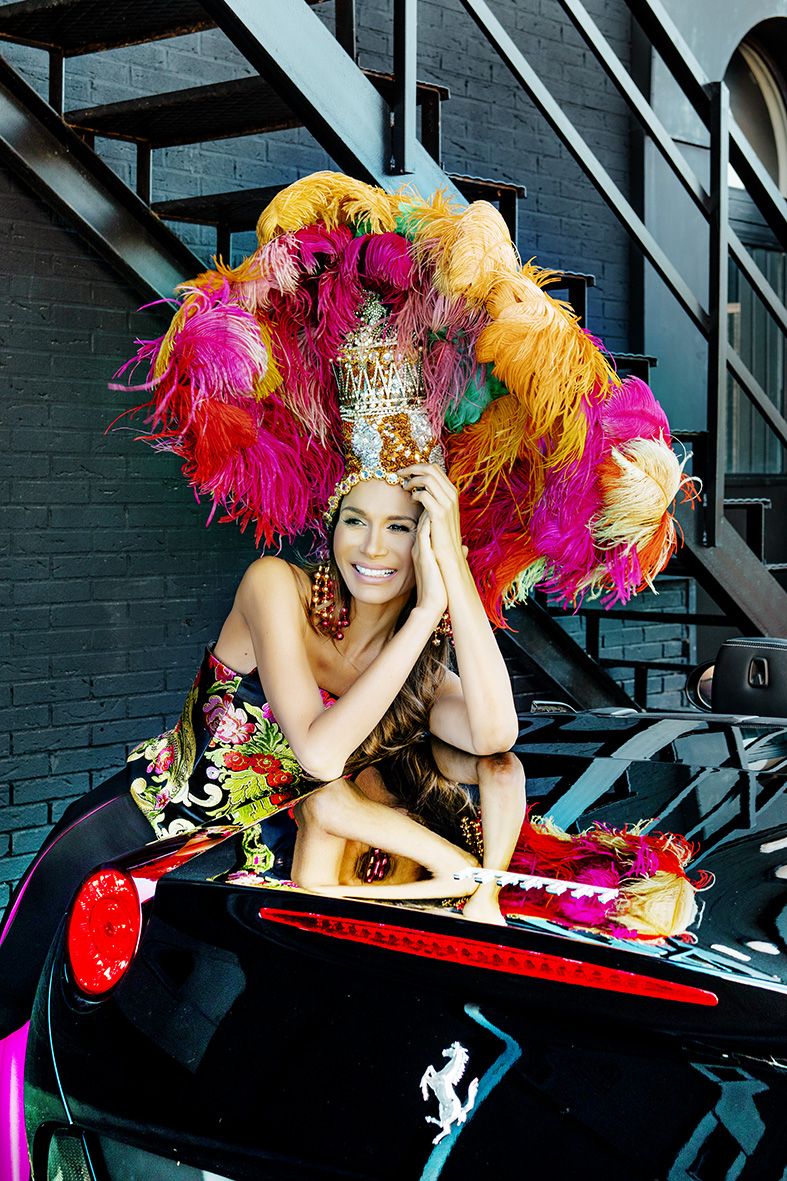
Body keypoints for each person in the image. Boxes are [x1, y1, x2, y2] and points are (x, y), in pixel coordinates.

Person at [1, 170, 704, 1180]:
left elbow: (495, 738)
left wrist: (453, 574)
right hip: (147, 837)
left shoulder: (412, 644)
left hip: (263, 875)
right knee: (24, 1066)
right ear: (329, 523)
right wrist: (422, 618)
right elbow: (323, 755)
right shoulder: (274, 586)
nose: (376, 546)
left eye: (404, 526)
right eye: (358, 520)